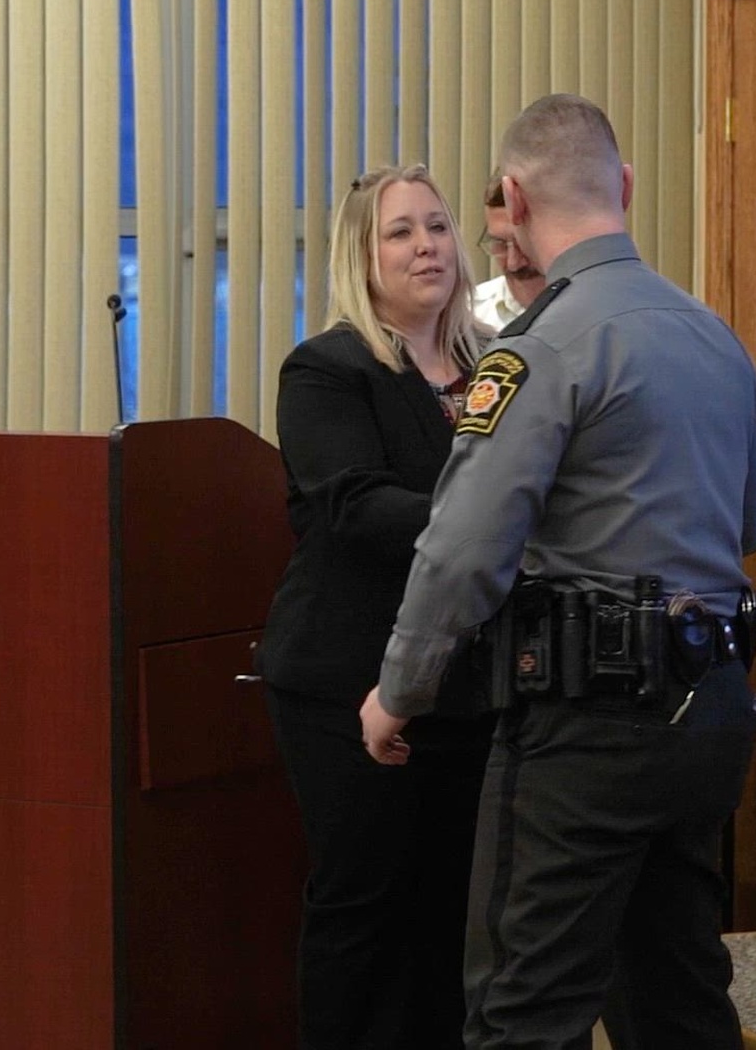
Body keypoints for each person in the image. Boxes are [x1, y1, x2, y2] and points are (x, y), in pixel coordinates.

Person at [361, 95, 756, 1049]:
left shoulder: (537, 348)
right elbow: (754, 519)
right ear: (623, 187)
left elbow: (463, 549)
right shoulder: (711, 333)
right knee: (677, 1000)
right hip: (709, 710)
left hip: (586, 728)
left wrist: (399, 691)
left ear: (510, 197)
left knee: (523, 1011)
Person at [254, 163, 497, 1049]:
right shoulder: (328, 367)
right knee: (364, 902)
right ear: (363, 255)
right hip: (344, 677)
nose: (427, 245)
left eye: (437, 225)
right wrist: (493, 517)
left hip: (464, 684)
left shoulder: (488, 367)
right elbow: (355, 505)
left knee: (449, 911)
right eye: (401, 232)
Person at [470, 170, 549, 332]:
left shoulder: (602, 319)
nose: (513, 264)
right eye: (500, 243)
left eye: (523, 243)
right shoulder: (469, 317)